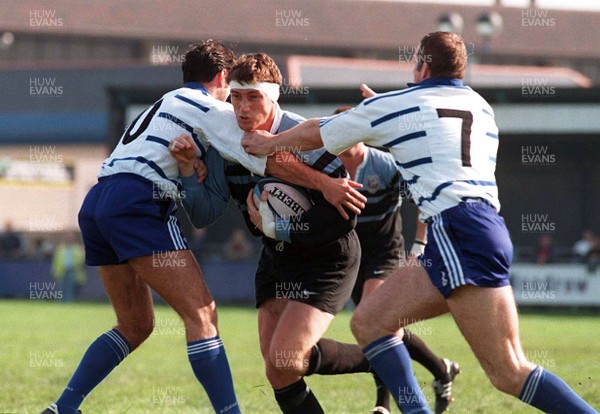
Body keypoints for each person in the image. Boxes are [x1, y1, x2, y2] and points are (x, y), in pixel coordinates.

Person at [241, 32, 597, 413]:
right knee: (371, 322)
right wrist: (384, 113)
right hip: (484, 227)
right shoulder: (479, 105)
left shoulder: (404, 102)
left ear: (422, 65)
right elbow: (433, 139)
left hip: (456, 230)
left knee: (508, 371)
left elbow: (318, 133)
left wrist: (267, 145)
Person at [42, 40, 247, 414]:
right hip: (139, 201)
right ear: (222, 77)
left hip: (99, 200)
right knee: (202, 315)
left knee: (135, 324)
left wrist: (194, 165)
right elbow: (253, 142)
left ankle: (64, 407)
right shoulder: (210, 106)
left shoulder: (166, 102)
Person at [170, 52, 376, 414]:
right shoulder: (226, 141)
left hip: (328, 258)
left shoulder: (304, 136)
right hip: (277, 260)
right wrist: (189, 170)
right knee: (279, 370)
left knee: (285, 358)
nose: (242, 108)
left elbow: (344, 216)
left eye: (254, 97)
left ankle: (380, 356)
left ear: (274, 97)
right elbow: (246, 214)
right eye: (235, 97)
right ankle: (381, 355)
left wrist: (278, 227)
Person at [336, 104, 459, 414]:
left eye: (352, 129)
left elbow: (423, 200)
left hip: (385, 250)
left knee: (372, 320)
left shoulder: (385, 166)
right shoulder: (327, 166)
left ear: (362, 133)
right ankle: (441, 368)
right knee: (382, 325)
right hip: (351, 255)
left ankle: (383, 405)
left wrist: (419, 244)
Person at [51, 232, 87, 302]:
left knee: (71, 291)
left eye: (70, 237)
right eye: (68, 237)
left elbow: (83, 261)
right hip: (62, 272)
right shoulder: (60, 249)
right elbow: (56, 261)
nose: (69, 239)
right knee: (61, 290)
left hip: (74, 272)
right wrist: (54, 272)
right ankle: (61, 306)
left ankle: (70, 305)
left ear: (74, 238)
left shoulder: (78, 249)